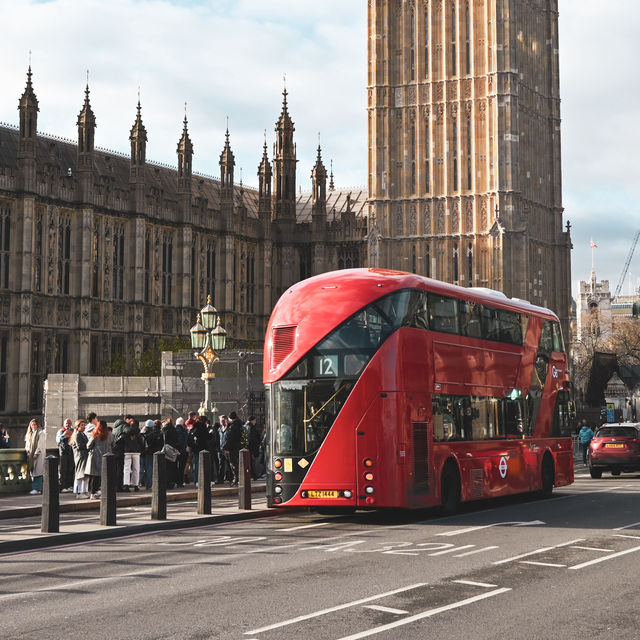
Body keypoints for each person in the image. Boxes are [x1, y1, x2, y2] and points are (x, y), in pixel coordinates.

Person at [85, 420, 111, 499]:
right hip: (105, 457)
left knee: (94, 477)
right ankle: (99, 491)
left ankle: (92, 493)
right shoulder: (110, 435)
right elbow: (113, 444)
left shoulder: (95, 435)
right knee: (102, 476)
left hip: (95, 458)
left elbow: (88, 446)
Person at [25, 419, 46, 495]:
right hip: (31, 455)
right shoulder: (30, 433)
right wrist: (28, 451)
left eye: (35, 424)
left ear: (37, 425)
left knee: (38, 472)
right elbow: (27, 444)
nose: (33, 426)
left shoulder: (41, 433)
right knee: (33, 472)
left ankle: (38, 489)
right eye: (32, 425)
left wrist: (36, 453)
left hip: (38, 455)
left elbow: (41, 444)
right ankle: (35, 488)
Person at [122, 418, 143, 492]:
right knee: (136, 469)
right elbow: (141, 442)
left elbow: (123, 440)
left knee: (127, 469)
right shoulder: (138, 432)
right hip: (136, 452)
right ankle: (135, 485)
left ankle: (126, 484)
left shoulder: (126, 431)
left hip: (127, 452)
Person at [70, 419, 90, 498]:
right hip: (80, 456)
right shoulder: (77, 434)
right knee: (80, 474)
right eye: (82, 425)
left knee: (85, 475)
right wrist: (88, 446)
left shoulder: (83, 434)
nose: (84, 426)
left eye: (84, 425)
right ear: (77, 427)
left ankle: (84, 490)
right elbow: (79, 446)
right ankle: (78, 492)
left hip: (85, 456)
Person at [225, 411, 244, 486]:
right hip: (240, 447)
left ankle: (236, 479)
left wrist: (226, 448)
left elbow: (230, 439)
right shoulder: (240, 426)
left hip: (233, 448)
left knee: (233, 464)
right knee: (239, 463)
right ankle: (239, 479)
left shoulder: (232, 427)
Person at [56, 418, 75, 492]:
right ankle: (63, 486)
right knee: (63, 470)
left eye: (69, 423)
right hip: (63, 453)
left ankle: (69, 485)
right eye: (66, 423)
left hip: (71, 453)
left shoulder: (73, 431)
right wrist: (64, 435)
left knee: (71, 470)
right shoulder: (61, 431)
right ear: (64, 424)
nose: (68, 425)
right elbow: (58, 440)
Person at [161, 418, 180, 489]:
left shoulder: (164, 429)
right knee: (172, 467)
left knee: (166, 467)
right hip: (173, 450)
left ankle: (166, 483)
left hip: (166, 450)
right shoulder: (174, 429)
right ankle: (172, 482)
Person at [245, 415, 262, 480]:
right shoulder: (251, 427)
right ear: (252, 420)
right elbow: (252, 438)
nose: (255, 421)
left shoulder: (246, 426)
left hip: (248, 447)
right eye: (255, 420)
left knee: (250, 462)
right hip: (251, 447)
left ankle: (253, 475)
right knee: (251, 462)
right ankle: (253, 475)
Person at [175, 417, 188, 487]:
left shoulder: (174, 430)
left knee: (175, 466)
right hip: (182, 451)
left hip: (174, 451)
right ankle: (180, 481)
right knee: (181, 467)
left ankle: (176, 480)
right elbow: (182, 441)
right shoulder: (183, 431)